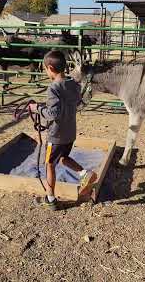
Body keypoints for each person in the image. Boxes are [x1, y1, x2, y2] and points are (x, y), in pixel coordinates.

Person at [29, 50, 97, 210]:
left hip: (56, 135)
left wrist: (36, 109)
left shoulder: (53, 88)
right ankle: (83, 173)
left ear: (50, 68)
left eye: (45, 69)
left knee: (49, 164)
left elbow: (53, 113)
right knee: (62, 157)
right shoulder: (73, 83)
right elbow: (74, 103)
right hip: (70, 132)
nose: (46, 72)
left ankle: (50, 198)